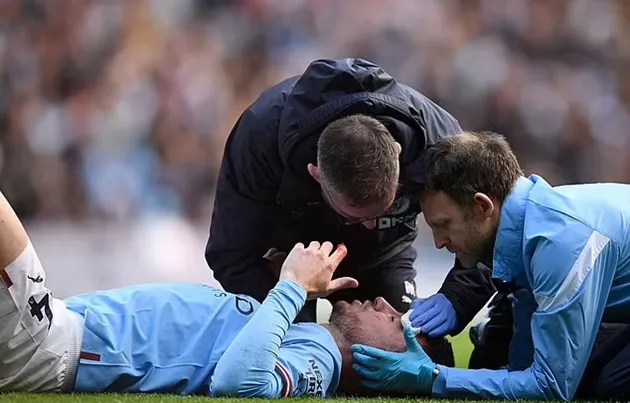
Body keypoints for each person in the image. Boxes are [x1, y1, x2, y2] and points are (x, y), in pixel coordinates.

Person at [0, 191, 453, 397]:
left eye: (397, 322)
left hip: (53, 345)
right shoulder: (311, 340)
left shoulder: (322, 362)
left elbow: (240, 383)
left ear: (390, 366)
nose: (384, 303)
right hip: (59, 331)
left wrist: (292, 287)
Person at [205, 57, 497, 345]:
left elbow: (493, 228)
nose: (369, 225)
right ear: (316, 175)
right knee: (297, 354)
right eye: (356, 217)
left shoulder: (439, 143)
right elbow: (230, 252)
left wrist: (457, 297)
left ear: (397, 153)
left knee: (417, 353)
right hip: (292, 265)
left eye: (385, 207)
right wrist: (291, 319)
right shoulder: (261, 135)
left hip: (383, 258)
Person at [352, 131, 630, 401]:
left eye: (444, 224)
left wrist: (434, 378)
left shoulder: (559, 245)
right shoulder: (532, 232)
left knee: (610, 383)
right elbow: (521, 371)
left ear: (483, 206)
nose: (439, 242)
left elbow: (550, 387)